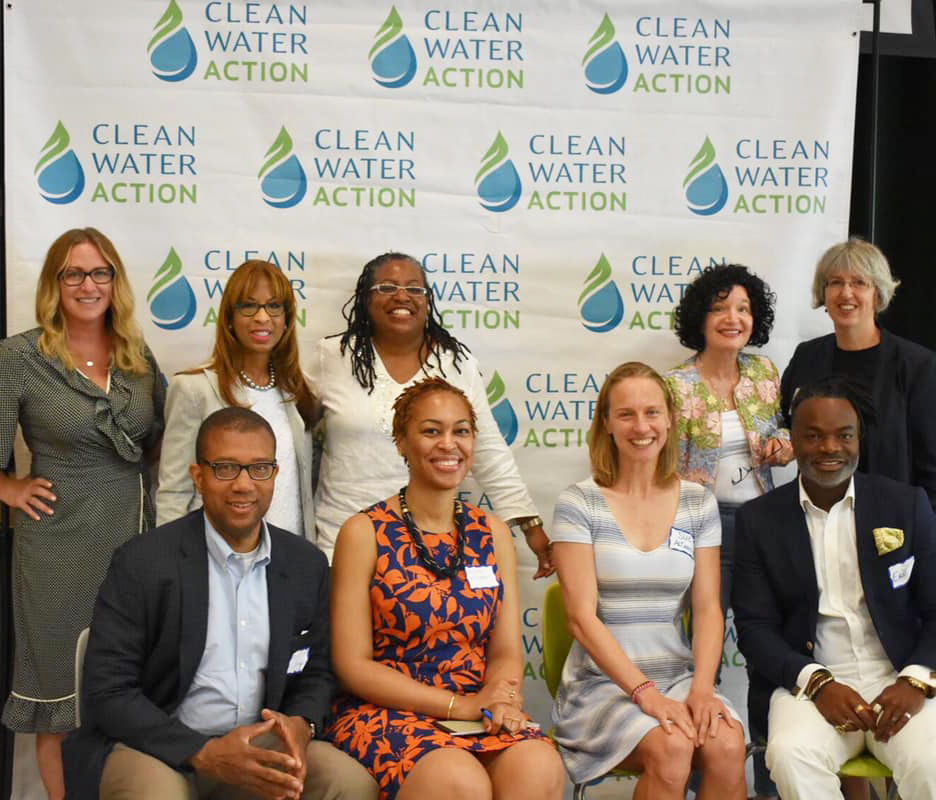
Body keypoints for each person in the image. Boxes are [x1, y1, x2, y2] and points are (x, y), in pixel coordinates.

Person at [62, 407, 377, 800]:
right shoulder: (143, 562)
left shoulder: (305, 565)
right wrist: (203, 752)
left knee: (349, 784)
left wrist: (302, 723)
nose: (243, 484)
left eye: (259, 468)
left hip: (258, 743)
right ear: (199, 476)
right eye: (225, 468)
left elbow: (317, 671)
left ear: (275, 475)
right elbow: (108, 691)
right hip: (156, 745)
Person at [327, 378, 564, 800]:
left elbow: (506, 651)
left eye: (461, 431)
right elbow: (352, 665)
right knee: (459, 783)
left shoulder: (492, 533)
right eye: (431, 431)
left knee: (538, 766)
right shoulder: (363, 532)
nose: (448, 444)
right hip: (386, 711)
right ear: (402, 442)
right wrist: (457, 706)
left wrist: (501, 699)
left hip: (479, 708)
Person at [0, 227, 165, 800]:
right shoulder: (19, 356)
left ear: (115, 282)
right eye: (73, 273)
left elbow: (161, 443)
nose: (87, 284)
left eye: (99, 273)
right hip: (56, 550)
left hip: (134, 543)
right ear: (55, 284)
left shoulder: (137, 357)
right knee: (62, 701)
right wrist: (9, 487)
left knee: (129, 688)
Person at [732, 377, 936, 799]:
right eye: (813, 436)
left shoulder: (906, 505)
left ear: (859, 439)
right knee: (791, 755)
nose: (830, 448)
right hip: (810, 686)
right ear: (792, 440)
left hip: (897, 677)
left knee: (931, 760)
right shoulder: (759, 520)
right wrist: (817, 683)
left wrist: (915, 680)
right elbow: (754, 629)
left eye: (844, 435)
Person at [551, 362, 746, 800]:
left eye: (652, 412)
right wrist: (644, 694)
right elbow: (581, 618)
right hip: (602, 686)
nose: (641, 427)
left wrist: (702, 690)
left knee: (729, 745)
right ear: (606, 423)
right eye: (626, 414)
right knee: (673, 746)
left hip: (678, 676)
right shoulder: (579, 503)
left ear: (671, 418)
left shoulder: (697, 503)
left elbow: (708, 609)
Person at [307, 252, 551, 574]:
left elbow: (488, 450)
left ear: (427, 300)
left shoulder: (456, 364)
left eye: (414, 289)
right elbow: (293, 431)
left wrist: (531, 526)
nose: (402, 296)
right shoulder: (332, 357)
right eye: (387, 287)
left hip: (431, 545)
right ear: (366, 298)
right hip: (343, 541)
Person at [157, 259, 317, 540]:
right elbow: (174, 490)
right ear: (229, 318)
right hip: (214, 551)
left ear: (287, 319)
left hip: (288, 552)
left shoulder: (298, 390)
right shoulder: (194, 389)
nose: (262, 317)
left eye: (274, 306)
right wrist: (170, 555)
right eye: (248, 306)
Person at [666, 263, 793, 612]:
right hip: (702, 523)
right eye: (719, 308)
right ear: (700, 318)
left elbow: (783, 425)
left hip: (763, 519)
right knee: (708, 623)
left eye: (743, 309)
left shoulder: (763, 371)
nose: (732, 318)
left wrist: (784, 444)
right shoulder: (675, 385)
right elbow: (661, 465)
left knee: (763, 623)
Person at [781, 238, 936, 508]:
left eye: (859, 283)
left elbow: (931, 464)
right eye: (835, 282)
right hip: (816, 515)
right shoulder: (806, 357)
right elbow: (785, 425)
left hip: (890, 518)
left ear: (878, 293)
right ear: (824, 292)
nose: (846, 293)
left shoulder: (917, 366)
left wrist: (922, 526)